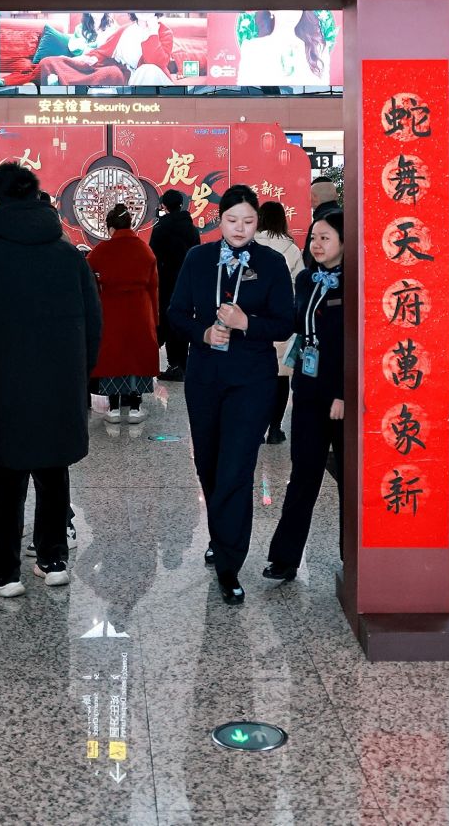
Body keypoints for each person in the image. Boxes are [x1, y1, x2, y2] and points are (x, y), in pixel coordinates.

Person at [0, 162, 102, 598]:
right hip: (58, 386)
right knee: (53, 469)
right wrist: (75, 373)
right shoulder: (67, 252)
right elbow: (93, 322)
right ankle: (52, 558)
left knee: (6, 479)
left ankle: (4, 570)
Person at [167, 185, 297, 605]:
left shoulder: (272, 262)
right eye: (232, 220)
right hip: (205, 376)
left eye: (248, 221)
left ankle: (229, 565)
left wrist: (246, 322)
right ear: (218, 220)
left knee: (236, 469)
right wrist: (202, 332)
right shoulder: (198, 258)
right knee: (208, 464)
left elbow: (283, 323)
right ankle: (219, 535)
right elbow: (174, 312)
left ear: (258, 223)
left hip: (251, 381)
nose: (240, 228)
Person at [264, 209, 346, 583]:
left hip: (342, 399)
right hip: (309, 391)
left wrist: (344, 393)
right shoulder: (306, 279)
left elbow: (357, 345)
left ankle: (354, 554)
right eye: (314, 237)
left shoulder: (355, 286)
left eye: (325, 238)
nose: (316, 243)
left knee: (350, 479)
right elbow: (294, 324)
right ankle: (285, 558)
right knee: (303, 475)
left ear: (345, 244)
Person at [87, 203, 160, 426]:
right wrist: (155, 319)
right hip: (140, 308)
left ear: (110, 228)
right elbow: (154, 285)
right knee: (136, 354)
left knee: (113, 354)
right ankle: (136, 406)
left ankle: (114, 407)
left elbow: (88, 275)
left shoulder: (101, 250)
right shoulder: (144, 249)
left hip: (111, 308)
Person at [254, 201, 305, 445]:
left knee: (255, 375)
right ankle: (275, 428)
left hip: (252, 320)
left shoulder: (249, 244)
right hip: (283, 319)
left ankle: (255, 426)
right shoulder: (291, 249)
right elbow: (301, 283)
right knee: (281, 376)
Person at [149, 189, 199, 380]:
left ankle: (174, 365)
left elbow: (153, 257)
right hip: (188, 284)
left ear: (164, 206)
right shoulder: (192, 229)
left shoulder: (161, 229)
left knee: (168, 321)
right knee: (184, 320)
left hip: (166, 282)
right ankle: (183, 365)